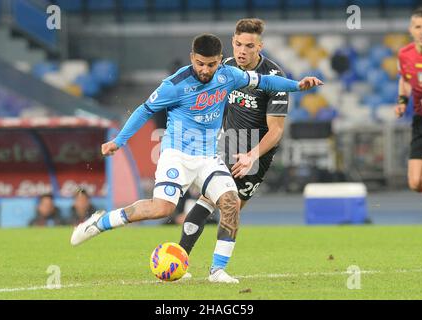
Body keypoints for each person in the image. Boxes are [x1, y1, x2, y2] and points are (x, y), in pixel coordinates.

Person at [70, 33, 323, 283]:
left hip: (207, 157)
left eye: (211, 64)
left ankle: (217, 270)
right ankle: (99, 223)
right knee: (162, 209)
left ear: (220, 60)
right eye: (199, 63)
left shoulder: (229, 75)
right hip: (176, 155)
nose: (205, 69)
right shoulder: (175, 84)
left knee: (231, 202)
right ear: (192, 58)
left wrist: (297, 85)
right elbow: (144, 110)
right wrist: (118, 141)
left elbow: (265, 82)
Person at [178, 18, 294, 275]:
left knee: (227, 205)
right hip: (226, 143)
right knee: (214, 201)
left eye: (249, 46)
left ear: (260, 46)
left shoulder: (273, 78)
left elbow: (276, 131)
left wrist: (252, 155)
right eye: (238, 44)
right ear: (232, 42)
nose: (242, 51)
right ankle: (203, 267)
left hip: (255, 151)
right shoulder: (226, 67)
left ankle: (186, 261)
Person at [395, 8, 422, 216]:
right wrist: (402, 102)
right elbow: (405, 80)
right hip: (420, 122)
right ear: (411, 30)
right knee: (416, 182)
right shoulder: (404, 54)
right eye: (419, 27)